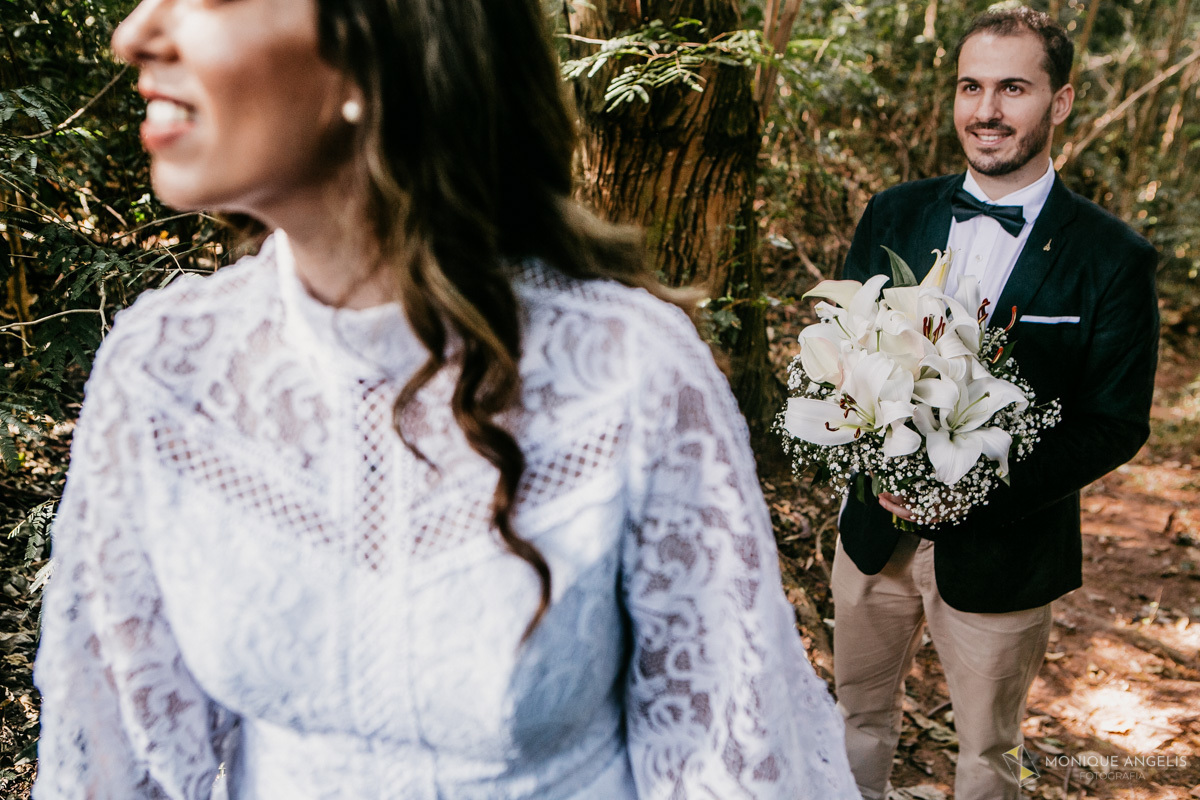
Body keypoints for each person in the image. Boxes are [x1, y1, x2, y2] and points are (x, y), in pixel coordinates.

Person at [32, 0, 862, 798]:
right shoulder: (164, 371)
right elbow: (110, 764)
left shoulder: (629, 374)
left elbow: (728, 760)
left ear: (374, 39)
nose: (133, 33)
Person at [831, 7, 1158, 800]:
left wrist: (971, 489)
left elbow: (1115, 423)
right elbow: (842, 349)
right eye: (971, 87)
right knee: (854, 720)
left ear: (1062, 101)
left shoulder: (1113, 256)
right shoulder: (895, 212)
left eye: (1013, 88)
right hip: (872, 533)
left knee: (988, 754)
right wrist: (866, 457)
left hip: (1007, 551)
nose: (986, 111)